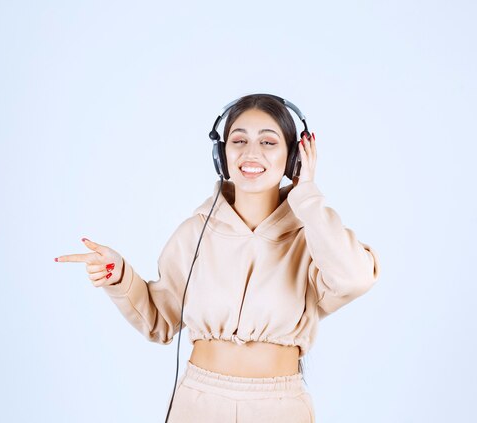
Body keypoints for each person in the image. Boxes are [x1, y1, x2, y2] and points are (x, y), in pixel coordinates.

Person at [55, 94, 381, 422]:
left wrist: (307, 194)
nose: (251, 153)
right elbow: (159, 321)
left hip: (279, 407)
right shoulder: (194, 233)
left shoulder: (314, 236)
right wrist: (119, 276)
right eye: (239, 140)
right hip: (198, 403)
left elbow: (354, 278)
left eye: (268, 142)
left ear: (294, 156)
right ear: (222, 154)